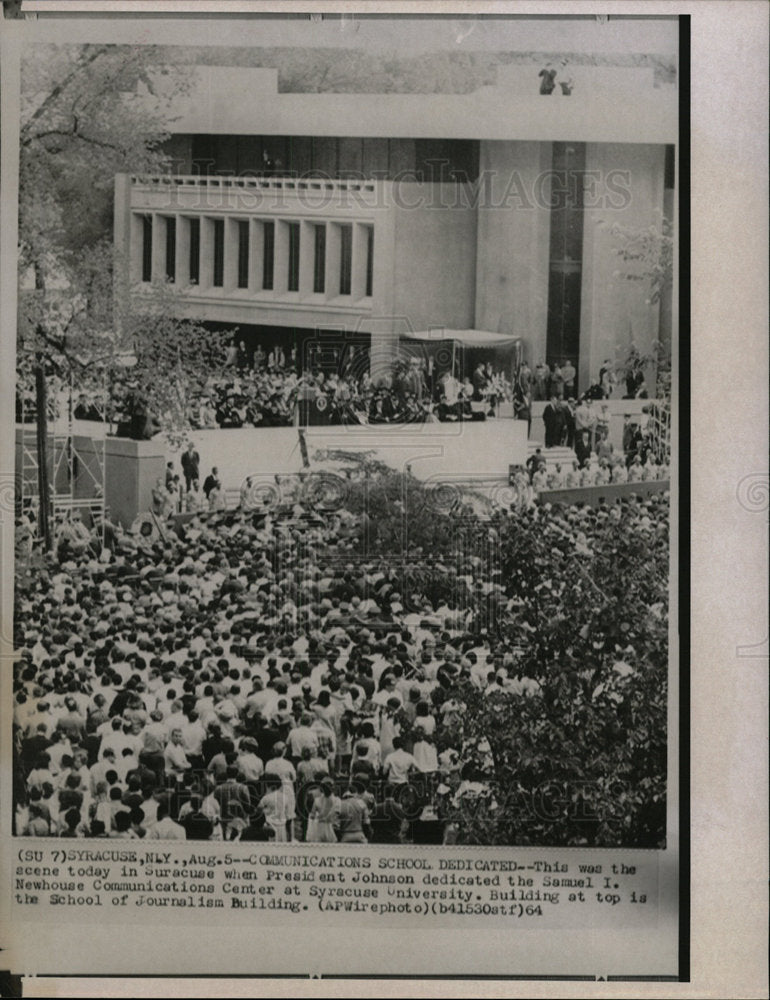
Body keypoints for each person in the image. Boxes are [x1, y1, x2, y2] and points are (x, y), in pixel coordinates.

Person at [305, 776, 341, 843]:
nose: (327, 788)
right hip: (320, 829)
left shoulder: (336, 800)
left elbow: (335, 815)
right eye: (325, 786)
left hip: (332, 829)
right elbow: (312, 816)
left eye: (329, 786)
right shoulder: (317, 800)